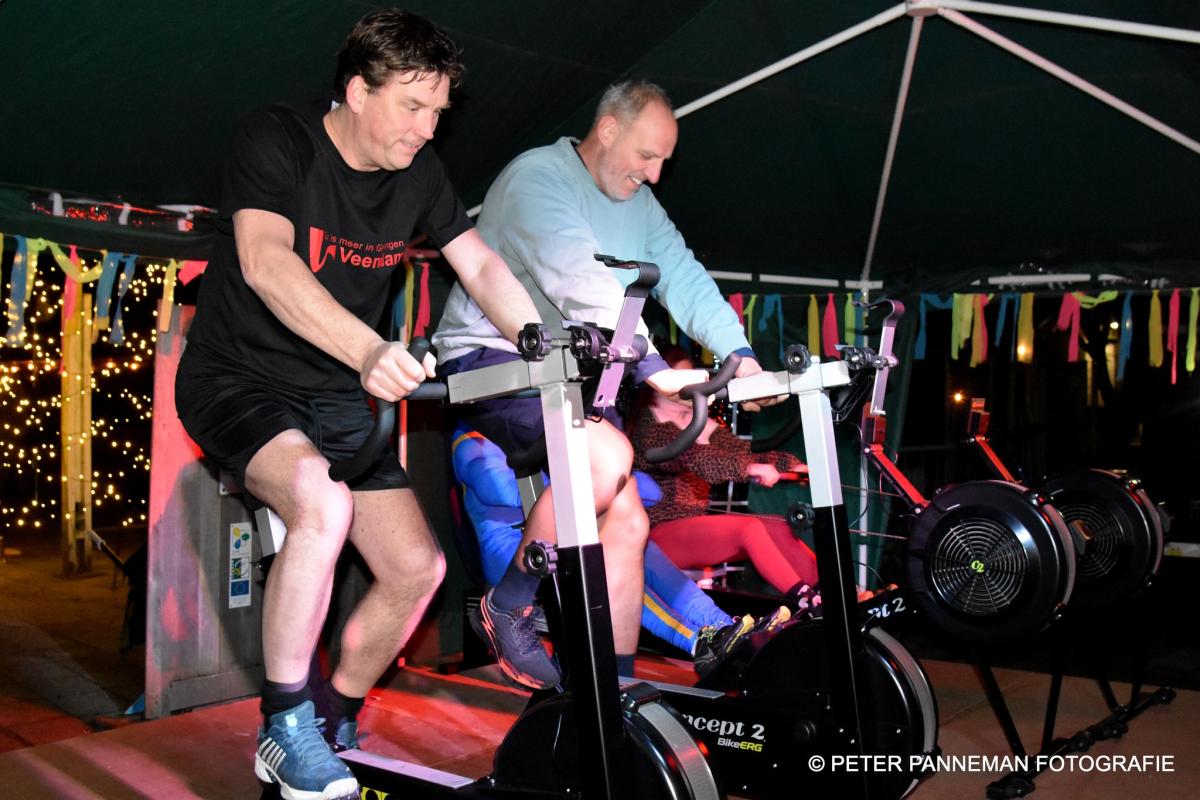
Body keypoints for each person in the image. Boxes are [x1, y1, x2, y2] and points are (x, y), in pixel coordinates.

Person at [174, 11, 542, 800]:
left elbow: (478, 263)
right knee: (321, 503)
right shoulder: (278, 139)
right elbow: (265, 262)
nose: (428, 128)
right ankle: (283, 727)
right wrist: (370, 351)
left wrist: (541, 339)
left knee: (417, 569)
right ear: (356, 90)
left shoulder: (421, 173)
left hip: (334, 396)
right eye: (413, 106)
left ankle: (331, 715)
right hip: (237, 380)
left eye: (438, 111)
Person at [433, 78, 780, 690]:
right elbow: (581, 280)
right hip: (494, 358)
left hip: (575, 369)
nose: (654, 174)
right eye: (647, 156)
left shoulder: (640, 207)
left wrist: (741, 356)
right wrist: (653, 367)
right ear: (608, 129)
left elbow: (684, 277)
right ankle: (508, 604)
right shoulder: (537, 178)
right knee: (606, 458)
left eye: (664, 162)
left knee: (628, 525)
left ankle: (610, 692)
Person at [449, 425, 787, 678]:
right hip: (516, 553)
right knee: (611, 557)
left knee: (639, 546)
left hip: (561, 530)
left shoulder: (532, 432)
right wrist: (592, 480)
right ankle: (699, 641)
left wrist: (606, 480)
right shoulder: (470, 439)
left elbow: (651, 491)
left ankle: (720, 626)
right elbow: (503, 489)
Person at [630, 348, 822, 598]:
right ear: (656, 386)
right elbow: (698, 459)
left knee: (778, 526)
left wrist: (790, 465)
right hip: (658, 537)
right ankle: (806, 599)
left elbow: (742, 451)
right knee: (749, 528)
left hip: (695, 528)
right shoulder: (649, 429)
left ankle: (831, 590)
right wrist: (747, 469)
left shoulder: (698, 422)